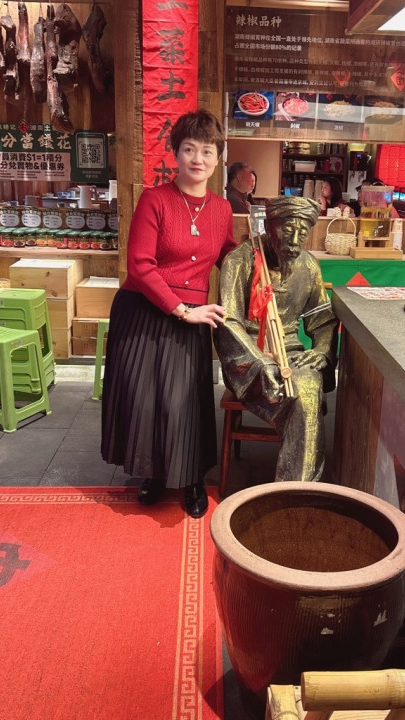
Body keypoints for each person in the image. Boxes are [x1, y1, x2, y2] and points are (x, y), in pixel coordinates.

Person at [101, 109, 236, 519]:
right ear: (175, 154)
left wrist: (263, 263)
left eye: (207, 151)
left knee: (184, 401)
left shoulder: (222, 209)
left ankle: (192, 478)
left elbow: (229, 257)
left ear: (218, 158)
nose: (198, 158)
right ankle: (154, 474)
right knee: (146, 400)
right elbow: (139, 265)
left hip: (193, 314)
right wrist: (180, 309)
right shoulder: (155, 199)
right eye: (189, 149)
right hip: (145, 311)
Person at [215, 195, 338, 484]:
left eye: (302, 233)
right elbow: (229, 323)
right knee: (303, 394)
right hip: (247, 356)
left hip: (291, 352)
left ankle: (296, 488)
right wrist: (261, 362)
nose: (294, 241)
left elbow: (322, 318)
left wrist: (322, 349)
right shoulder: (240, 260)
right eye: (287, 230)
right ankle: (298, 489)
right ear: (269, 227)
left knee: (306, 386)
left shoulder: (308, 265)